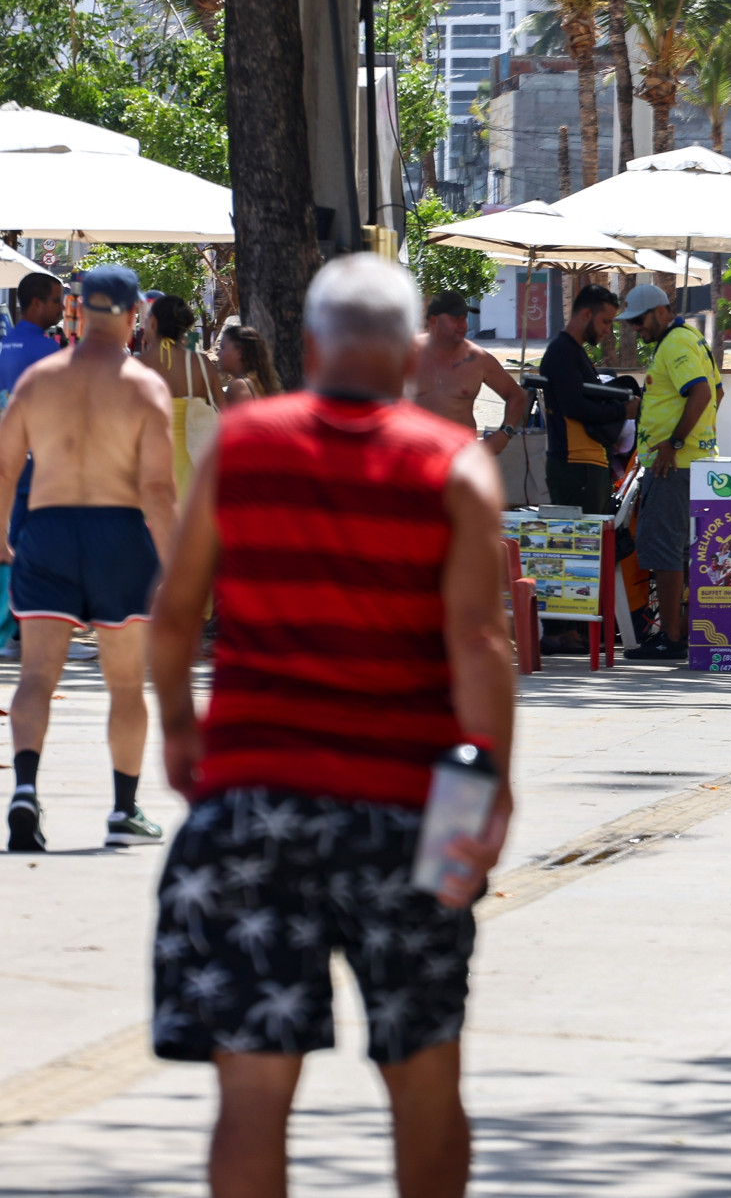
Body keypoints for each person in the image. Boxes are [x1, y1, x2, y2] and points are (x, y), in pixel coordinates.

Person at [147, 254, 514, 1198]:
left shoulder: (244, 443)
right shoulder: (453, 467)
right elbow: (479, 644)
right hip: (413, 812)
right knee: (426, 1069)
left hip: (252, 809)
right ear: (406, 363)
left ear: (309, 348)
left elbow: (177, 612)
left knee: (253, 1091)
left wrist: (183, 739)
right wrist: (490, 796)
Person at [0, 266, 175, 851]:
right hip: (117, 534)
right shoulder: (143, 385)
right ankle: (124, 810)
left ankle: (25, 789)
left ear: (77, 311)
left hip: (47, 530)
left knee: (36, 676)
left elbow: (4, 467)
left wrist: (1, 533)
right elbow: (156, 489)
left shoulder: (39, 378)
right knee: (125, 684)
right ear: (132, 317)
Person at [625, 284, 722, 662]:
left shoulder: (675, 345)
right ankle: (680, 627)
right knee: (681, 551)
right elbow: (718, 393)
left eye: (639, 320)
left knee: (665, 551)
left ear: (660, 311)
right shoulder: (692, 339)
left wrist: (675, 442)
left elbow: (700, 393)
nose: (636, 328)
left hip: (674, 464)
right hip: (690, 462)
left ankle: (670, 635)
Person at [539, 284, 635, 515]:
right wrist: (622, 411)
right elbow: (574, 407)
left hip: (590, 466)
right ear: (586, 314)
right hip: (576, 467)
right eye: (605, 321)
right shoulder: (562, 351)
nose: (608, 330)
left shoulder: (575, 351)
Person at [413, 290, 528, 455]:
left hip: (460, 461)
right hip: (414, 461)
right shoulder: (407, 353)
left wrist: (504, 433)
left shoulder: (478, 359)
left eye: (464, 318)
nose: (462, 325)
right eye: (454, 319)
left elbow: (516, 396)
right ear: (434, 321)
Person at [0, 272, 69, 547]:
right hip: (37, 460)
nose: (62, 308)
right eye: (57, 301)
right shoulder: (50, 351)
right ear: (37, 304)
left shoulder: (3, 346)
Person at [134, 293, 225, 500]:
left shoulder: (137, 367)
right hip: (195, 466)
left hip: (149, 467)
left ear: (154, 322)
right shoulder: (201, 364)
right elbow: (225, 415)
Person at [216, 324, 282, 406]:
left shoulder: (239, 386)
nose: (218, 353)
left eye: (222, 347)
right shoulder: (260, 383)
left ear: (239, 352)